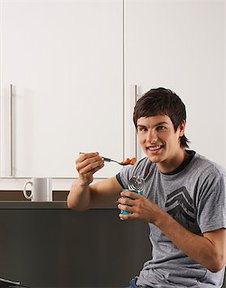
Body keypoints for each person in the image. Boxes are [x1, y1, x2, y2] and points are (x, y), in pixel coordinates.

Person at [67, 87, 226, 287]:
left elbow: (216, 260)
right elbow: (80, 202)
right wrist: (83, 180)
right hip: (149, 281)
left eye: (161, 128)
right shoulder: (143, 171)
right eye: (143, 129)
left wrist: (156, 216)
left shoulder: (209, 177)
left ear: (181, 128)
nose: (150, 139)